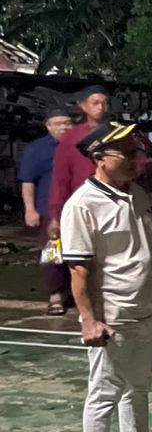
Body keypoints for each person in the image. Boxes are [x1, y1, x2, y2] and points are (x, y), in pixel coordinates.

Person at [59, 122, 152, 432]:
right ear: (99, 159)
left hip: (145, 307)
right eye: (126, 154)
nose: (136, 160)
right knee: (105, 391)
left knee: (138, 384)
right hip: (113, 313)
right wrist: (89, 319)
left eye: (136, 152)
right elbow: (79, 270)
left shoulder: (136, 194)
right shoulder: (82, 206)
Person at [17, 107, 77, 315]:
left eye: (67, 123)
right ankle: (55, 297)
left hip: (78, 208)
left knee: (80, 253)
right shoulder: (36, 149)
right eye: (58, 123)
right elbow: (27, 182)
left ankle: (78, 293)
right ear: (48, 126)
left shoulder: (80, 145)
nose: (63, 127)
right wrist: (30, 209)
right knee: (52, 254)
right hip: (48, 209)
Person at [47, 85, 112, 236]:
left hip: (113, 202)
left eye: (104, 103)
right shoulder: (72, 138)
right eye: (95, 103)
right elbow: (61, 177)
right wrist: (56, 215)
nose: (101, 107)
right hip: (81, 203)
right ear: (83, 106)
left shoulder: (118, 133)